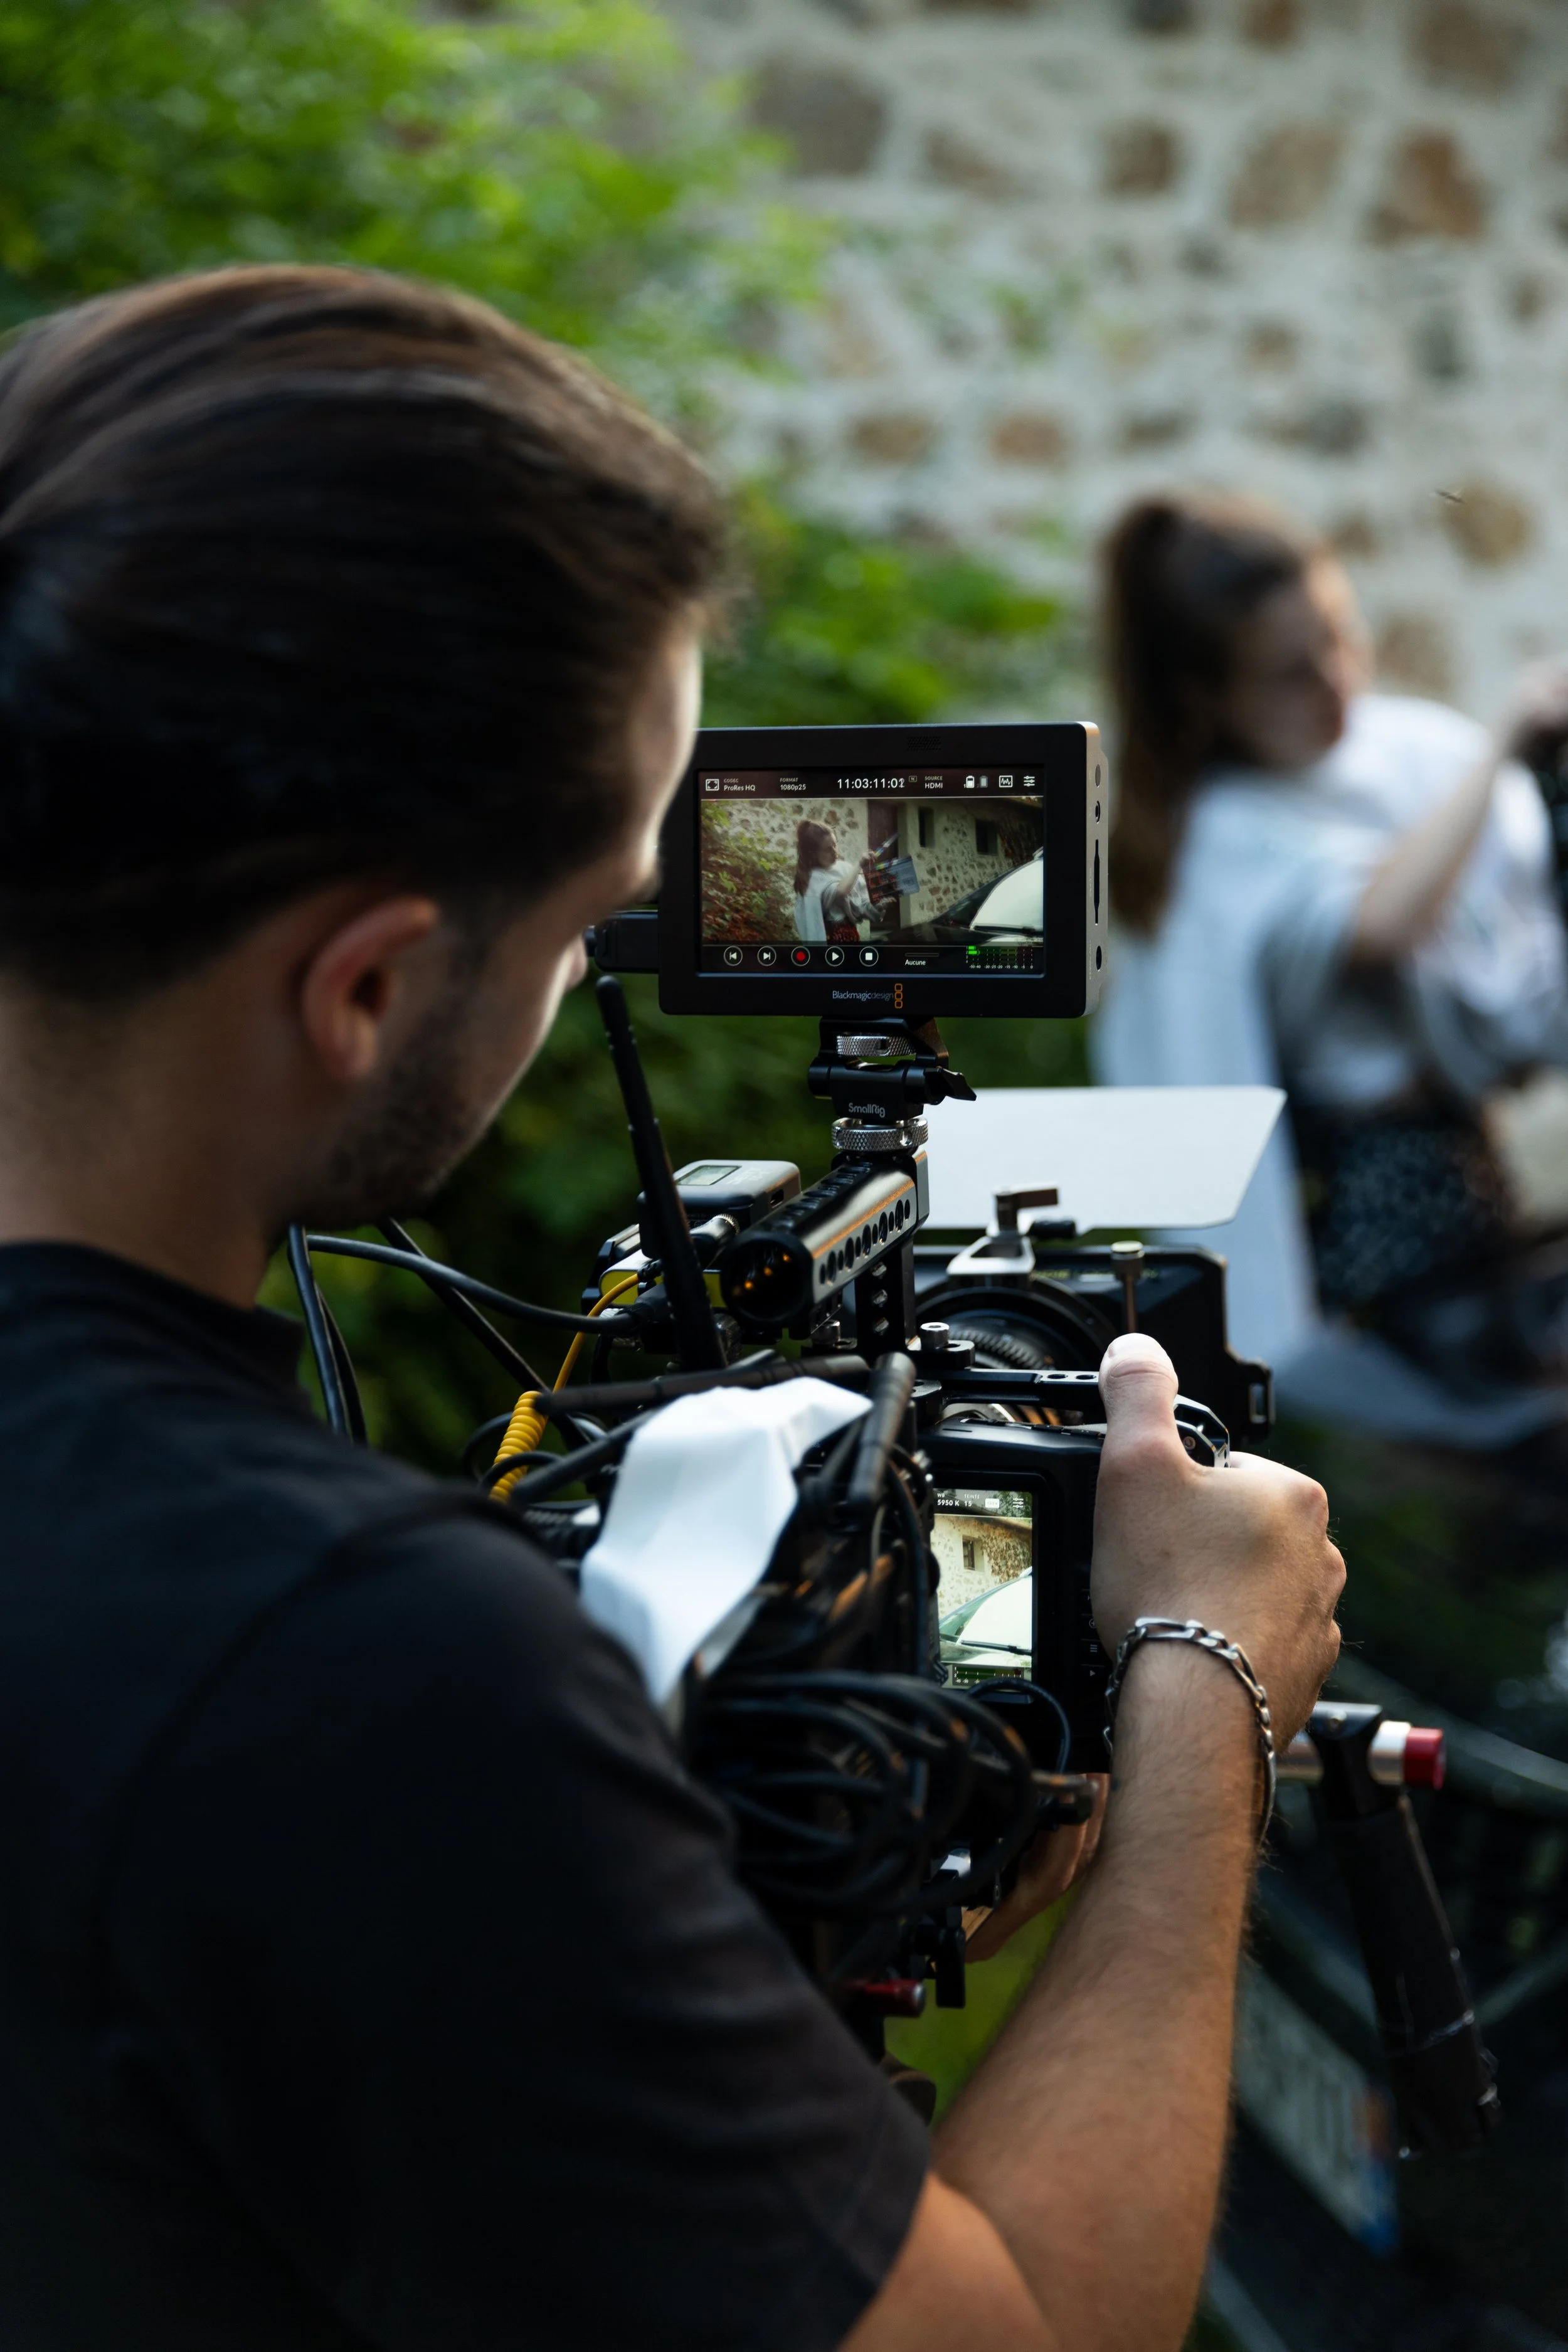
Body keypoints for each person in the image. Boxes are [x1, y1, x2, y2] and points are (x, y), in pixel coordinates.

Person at [0, 269, 1342, 2352]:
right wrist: (1202, 1682)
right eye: (588, 921)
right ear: (365, 987)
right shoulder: (341, 1665)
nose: (576, 986)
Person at [1094, 492, 1568, 1443]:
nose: (1336, 679)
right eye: (1290, 672)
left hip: (1466, 1198)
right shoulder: (1218, 834)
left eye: (1340, 637)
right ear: (1204, 697)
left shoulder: (1405, 752)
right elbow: (1377, 922)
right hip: (1368, 1245)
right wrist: (1504, 745)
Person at [793, 818, 869, 943]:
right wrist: (859, 864)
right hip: (833, 941)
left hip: (851, 937)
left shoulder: (842, 868)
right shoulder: (813, 878)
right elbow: (840, 891)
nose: (834, 852)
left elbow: (860, 903)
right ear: (813, 853)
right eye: (828, 849)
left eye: (835, 845)